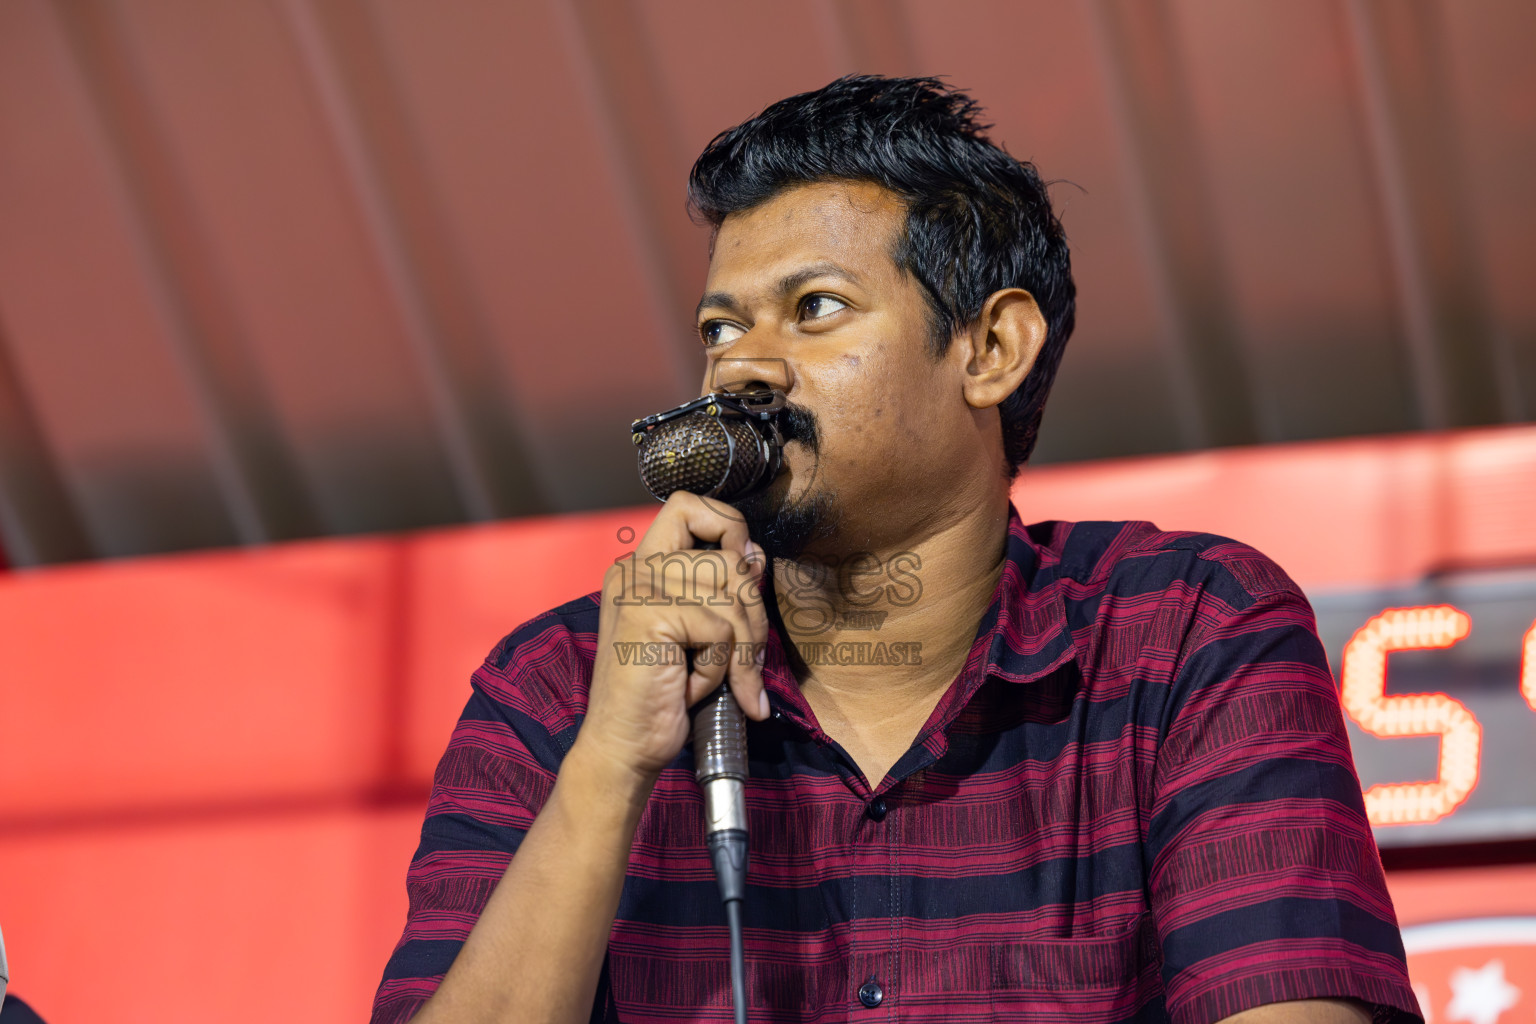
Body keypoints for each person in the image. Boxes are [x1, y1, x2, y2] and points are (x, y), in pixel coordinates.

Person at [370, 76, 1420, 1024]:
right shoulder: (558, 686)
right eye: (721, 329)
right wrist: (608, 767)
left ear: (991, 348)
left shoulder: (1187, 631)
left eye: (814, 309)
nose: (742, 370)